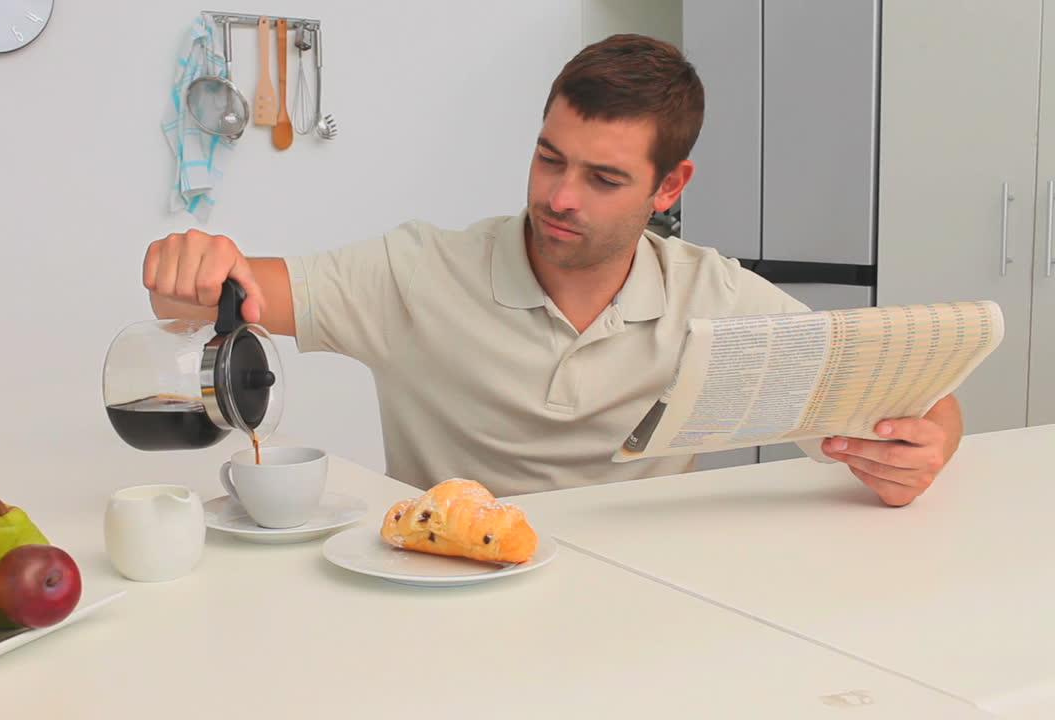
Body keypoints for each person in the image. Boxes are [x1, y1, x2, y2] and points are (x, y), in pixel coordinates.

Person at [141, 34, 962, 505]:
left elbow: (916, 395)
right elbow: (225, 292)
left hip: (647, 607)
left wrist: (925, 449)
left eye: (603, 178)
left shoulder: (711, 294)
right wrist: (191, 267)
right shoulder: (420, 271)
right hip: (447, 600)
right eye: (548, 158)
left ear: (669, 186)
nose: (560, 197)